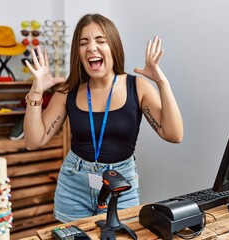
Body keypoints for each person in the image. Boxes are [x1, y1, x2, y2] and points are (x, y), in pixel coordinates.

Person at [23, 13, 183, 223]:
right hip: (74, 185)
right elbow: (34, 141)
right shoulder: (67, 91)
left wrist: (162, 81)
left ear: (113, 47)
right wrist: (36, 92)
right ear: (78, 52)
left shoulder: (138, 87)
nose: (91, 47)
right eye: (83, 42)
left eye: (100, 40)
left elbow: (174, 134)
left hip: (121, 185)